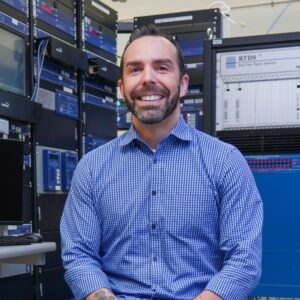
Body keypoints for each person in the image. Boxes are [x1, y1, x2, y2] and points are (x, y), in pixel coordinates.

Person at [60, 24, 263, 300]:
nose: (148, 78)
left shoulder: (225, 162)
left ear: (183, 85)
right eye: (135, 69)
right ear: (121, 88)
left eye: (162, 67)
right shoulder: (92, 168)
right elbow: (79, 254)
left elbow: (244, 260)